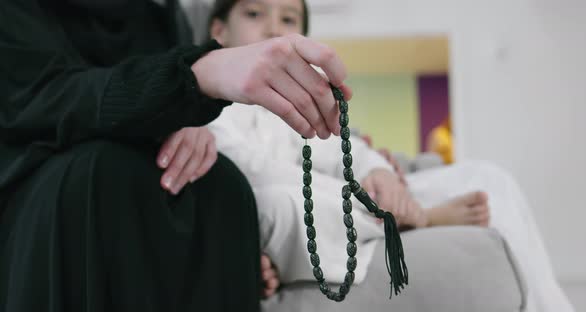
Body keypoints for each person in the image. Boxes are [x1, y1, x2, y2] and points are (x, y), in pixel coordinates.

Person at [205, 0, 575, 311]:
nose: (272, 28)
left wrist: (380, 174)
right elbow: (250, 172)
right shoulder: (210, 106)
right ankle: (416, 219)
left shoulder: (300, 100)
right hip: (301, 207)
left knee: (488, 179)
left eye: (287, 19)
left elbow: (345, 147)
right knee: (281, 202)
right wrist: (356, 192)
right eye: (254, 14)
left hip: (345, 201)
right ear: (219, 32)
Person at [0, 0, 353, 311]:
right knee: (104, 174)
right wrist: (193, 78)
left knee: (225, 186)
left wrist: (186, 119)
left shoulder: (154, 15)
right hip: (37, 180)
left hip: (135, 172)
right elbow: (50, 98)